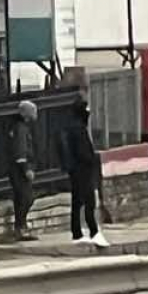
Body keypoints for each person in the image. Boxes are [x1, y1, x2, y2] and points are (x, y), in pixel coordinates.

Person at [58, 97, 108, 248]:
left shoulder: (71, 127)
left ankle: (77, 233)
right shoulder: (78, 129)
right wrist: (91, 159)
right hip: (83, 170)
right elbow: (83, 152)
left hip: (75, 170)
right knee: (89, 202)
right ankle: (94, 232)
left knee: (77, 202)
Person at [8, 100, 37, 241]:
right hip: (19, 169)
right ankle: (20, 227)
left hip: (17, 168)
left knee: (22, 198)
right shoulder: (20, 128)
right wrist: (26, 169)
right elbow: (21, 150)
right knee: (26, 198)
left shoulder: (20, 126)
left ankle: (21, 227)